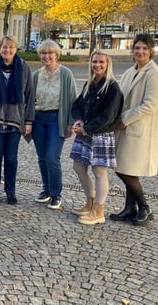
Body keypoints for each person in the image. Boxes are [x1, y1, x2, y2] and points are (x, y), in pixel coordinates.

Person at [112, 34, 158, 226]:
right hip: (123, 128)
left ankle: (144, 207)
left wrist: (124, 119)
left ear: (151, 51)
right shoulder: (129, 72)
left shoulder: (155, 74)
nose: (140, 51)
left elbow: (150, 105)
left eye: (144, 48)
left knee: (125, 169)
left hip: (139, 129)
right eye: (137, 48)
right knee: (126, 168)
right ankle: (129, 209)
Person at [69, 50, 123, 225]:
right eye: (94, 62)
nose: (97, 65)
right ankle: (90, 202)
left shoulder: (112, 87)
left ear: (108, 65)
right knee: (78, 167)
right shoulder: (90, 84)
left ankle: (99, 211)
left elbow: (108, 116)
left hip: (101, 134)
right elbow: (77, 105)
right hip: (85, 132)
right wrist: (78, 120)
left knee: (99, 172)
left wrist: (86, 129)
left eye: (101, 62)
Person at [0, 35, 34, 205]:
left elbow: (30, 95)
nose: (8, 50)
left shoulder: (24, 67)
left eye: (11, 47)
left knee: (11, 157)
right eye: (4, 47)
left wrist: (28, 121)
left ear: (15, 49)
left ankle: (10, 191)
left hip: (15, 119)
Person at [32, 40, 77, 210]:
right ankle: (47, 190)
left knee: (52, 157)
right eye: (43, 53)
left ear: (56, 55)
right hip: (39, 119)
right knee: (42, 157)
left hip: (56, 119)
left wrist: (70, 123)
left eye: (50, 53)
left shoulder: (65, 73)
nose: (46, 56)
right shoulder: (37, 75)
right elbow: (30, 99)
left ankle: (56, 194)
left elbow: (73, 99)